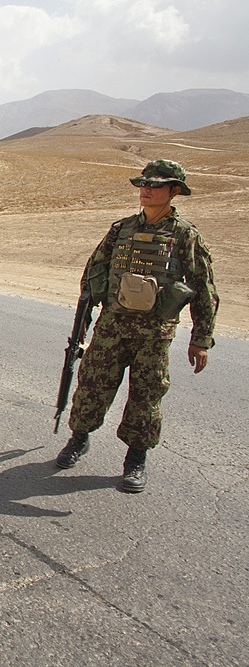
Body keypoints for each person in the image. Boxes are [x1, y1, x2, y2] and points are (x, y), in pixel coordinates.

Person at [56, 160, 219, 493]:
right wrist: (83, 322)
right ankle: (79, 439)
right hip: (111, 327)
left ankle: (135, 460)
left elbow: (203, 287)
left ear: (174, 191)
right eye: (143, 184)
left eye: (156, 186)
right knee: (91, 387)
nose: (146, 190)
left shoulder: (184, 235)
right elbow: (92, 273)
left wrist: (200, 338)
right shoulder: (121, 229)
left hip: (153, 334)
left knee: (146, 397)